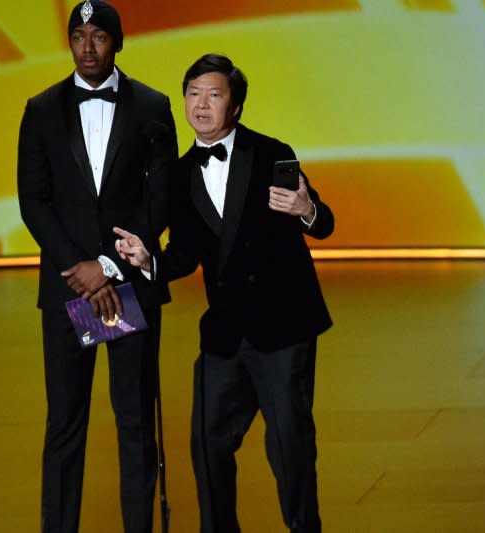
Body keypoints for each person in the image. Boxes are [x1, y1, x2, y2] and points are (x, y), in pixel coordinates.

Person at [114, 53, 333, 533]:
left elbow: (324, 224)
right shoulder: (177, 173)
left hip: (284, 327)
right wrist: (149, 261)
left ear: (235, 105)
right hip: (225, 332)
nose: (202, 105)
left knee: (289, 446)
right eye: (193, 94)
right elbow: (185, 254)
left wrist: (306, 209)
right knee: (207, 444)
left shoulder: (272, 152)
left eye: (214, 95)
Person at [16, 1, 177, 531]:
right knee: (65, 423)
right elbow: (33, 201)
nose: (88, 47)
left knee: (133, 423)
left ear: (118, 42)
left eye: (99, 36)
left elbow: (161, 200)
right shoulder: (40, 109)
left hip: (125, 287)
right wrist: (82, 273)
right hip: (69, 291)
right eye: (78, 35)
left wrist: (107, 269)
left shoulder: (153, 106)